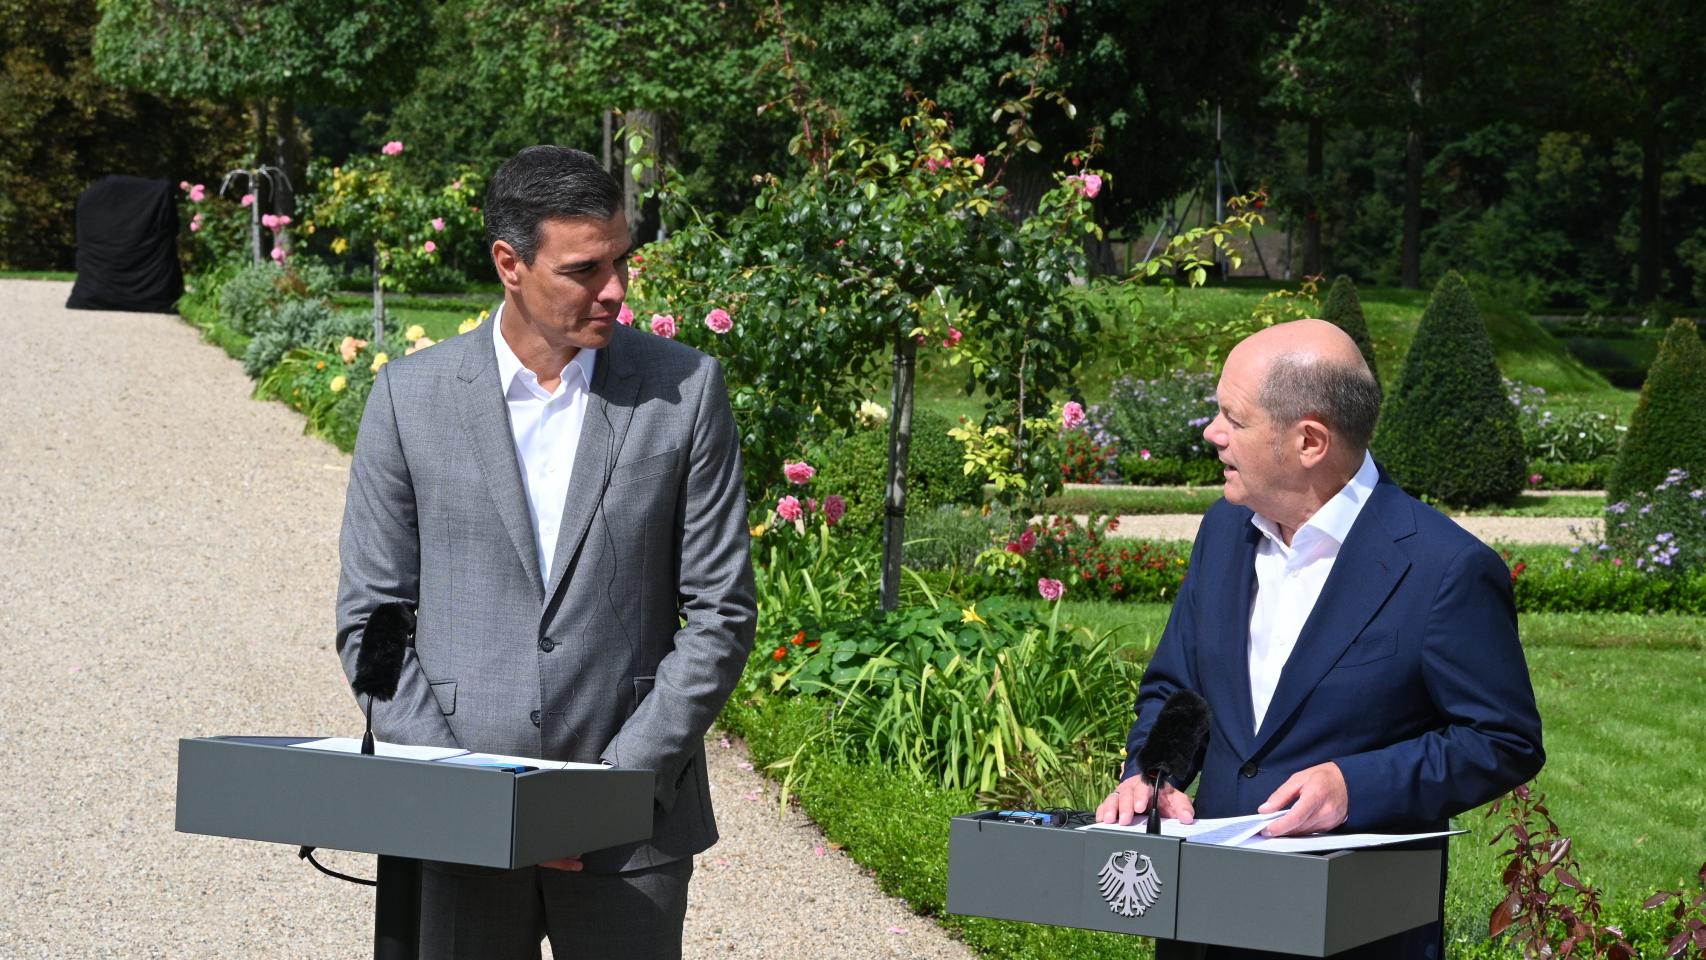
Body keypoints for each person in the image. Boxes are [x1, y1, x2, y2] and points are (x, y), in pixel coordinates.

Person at [335, 145, 756, 959]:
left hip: (630, 831)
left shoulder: (684, 391)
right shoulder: (409, 398)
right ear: (510, 264)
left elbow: (721, 614)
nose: (616, 289)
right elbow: (373, 621)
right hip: (452, 829)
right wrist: (468, 797)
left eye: (621, 260)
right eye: (584, 270)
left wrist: (607, 795)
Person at [1095, 318, 1544, 959]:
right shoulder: (1224, 531)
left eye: (1233, 418)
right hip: (1203, 924)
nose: (1212, 433)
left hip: (1354, 932)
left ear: (1309, 441)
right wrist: (1154, 771)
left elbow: (1501, 739)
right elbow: (1180, 689)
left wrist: (1354, 786)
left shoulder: (1445, 568)